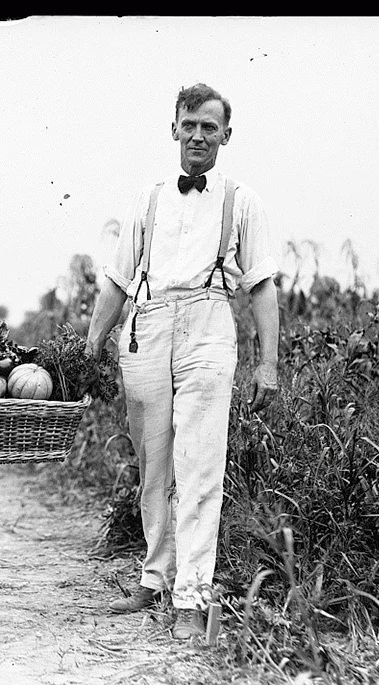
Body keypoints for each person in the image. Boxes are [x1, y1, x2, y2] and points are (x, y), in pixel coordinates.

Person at [85, 83, 281, 640]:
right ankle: (154, 577)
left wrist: (268, 366)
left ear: (226, 136)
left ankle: (192, 597)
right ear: (174, 127)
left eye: (209, 127)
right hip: (146, 326)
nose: (198, 135)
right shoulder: (146, 199)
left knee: (198, 464)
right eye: (189, 124)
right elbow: (118, 279)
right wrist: (90, 347)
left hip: (208, 326)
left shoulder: (242, 201)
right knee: (153, 461)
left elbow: (263, 286)